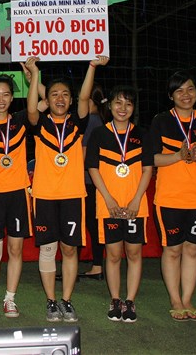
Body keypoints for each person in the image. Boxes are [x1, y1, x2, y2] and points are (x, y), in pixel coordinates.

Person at [25, 54, 109, 323]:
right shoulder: (40, 124)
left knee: (70, 249)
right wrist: (34, 74)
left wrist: (92, 66)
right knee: (48, 249)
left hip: (73, 195)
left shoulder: (78, 122)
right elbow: (31, 109)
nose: (60, 99)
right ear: (47, 100)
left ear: (71, 101)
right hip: (45, 196)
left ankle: (67, 300)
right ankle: (51, 301)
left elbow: (85, 96)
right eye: (54, 95)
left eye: (64, 95)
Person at [145, 72, 196, 321]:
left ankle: (187, 300)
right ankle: (175, 300)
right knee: (173, 249)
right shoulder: (161, 121)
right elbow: (152, 159)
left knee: (193, 249)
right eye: (179, 90)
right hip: (170, 198)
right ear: (171, 96)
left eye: (190, 89)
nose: (186, 95)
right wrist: (178, 156)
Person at [85, 85, 152, 323]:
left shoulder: (142, 134)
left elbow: (147, 169)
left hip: (135, 205)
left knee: (134, 253)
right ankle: (115, 299)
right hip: (108, 205)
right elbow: (92, 168)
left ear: (133, 108)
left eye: (128, 104)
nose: (123, 108)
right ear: (110, 106)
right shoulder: (99, 134)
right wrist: (108, 198)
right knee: (113, 254)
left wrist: (136, 200)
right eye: (118, 103)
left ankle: (130, 300)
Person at [0, 74, 32, 319]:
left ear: (12, 98)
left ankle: (10, 298)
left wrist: (34, 79)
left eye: (6, 94)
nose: (1, 99)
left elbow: (41, 104)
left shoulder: (21, 121)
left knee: (15, 249)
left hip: (17, 194)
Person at [80, 87, 107, 280]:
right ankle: (96, 263)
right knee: (93, 223)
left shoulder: (91, 121)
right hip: (93, 180)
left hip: (88, 180)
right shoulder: (100, 120)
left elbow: (83, 156)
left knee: (92, 223)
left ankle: (97, 265)